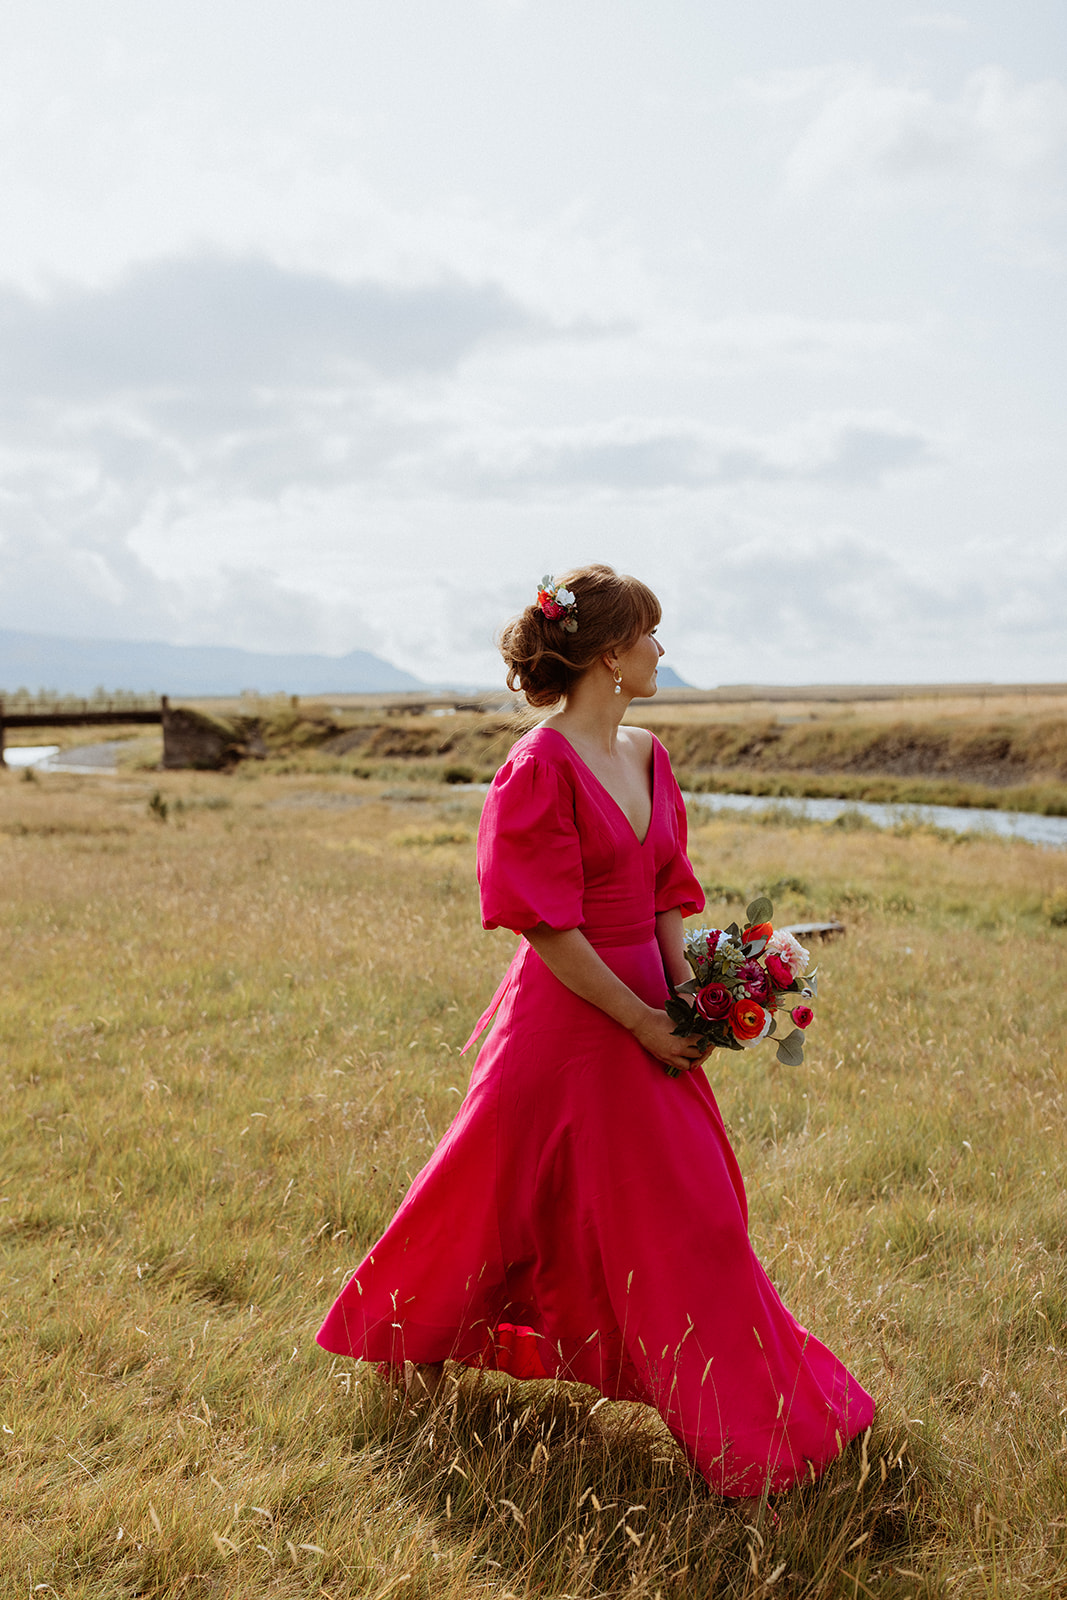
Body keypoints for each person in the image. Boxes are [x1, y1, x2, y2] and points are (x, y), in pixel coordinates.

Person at [317, 563, 875, 1498]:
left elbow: (665, 892)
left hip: (650, 1018)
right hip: (564, 1025)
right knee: (486, 1202)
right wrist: (641, 1021)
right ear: (610, 655)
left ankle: (768, 1425)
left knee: (699, 1221)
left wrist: (695, 994)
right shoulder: (536, 766)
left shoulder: (649, 753)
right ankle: (404, 1354)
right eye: (651, 636)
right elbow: (547, 928)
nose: (662, 650)